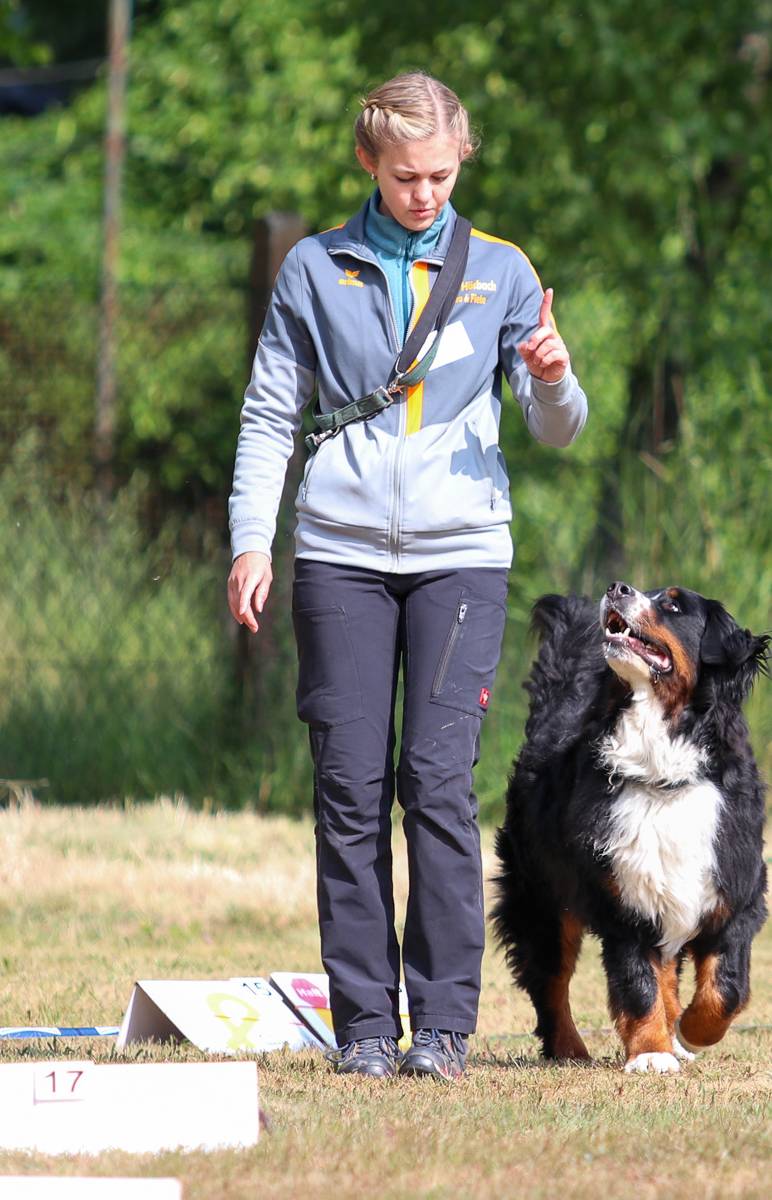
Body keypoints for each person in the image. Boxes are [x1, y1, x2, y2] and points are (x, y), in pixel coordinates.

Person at [225, 71, 587, 1081]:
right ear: (368, 164)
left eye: (439, 175)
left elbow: (558, 428)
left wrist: (555, 376)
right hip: (337, 555)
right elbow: (268, 413)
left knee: (436, 784)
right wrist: (252, 540)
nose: (424, 194)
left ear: (462, 158)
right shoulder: (314, 267)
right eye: (403, 177)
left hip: (461, 556)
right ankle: (364, 1030)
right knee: (349, 789)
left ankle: (442, 1027)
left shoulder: (502, 270)